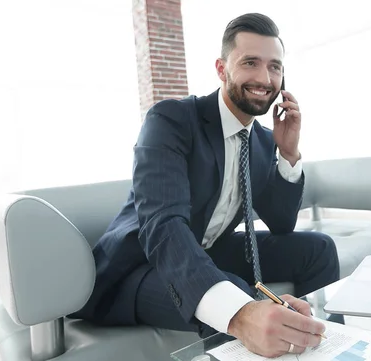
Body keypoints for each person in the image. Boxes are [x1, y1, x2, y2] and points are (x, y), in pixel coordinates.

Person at [70, 13, 340, 358]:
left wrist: (288, 153)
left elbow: (283, 223)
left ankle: (334, 345)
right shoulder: (171, 120)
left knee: (318, 248)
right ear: (221, 68)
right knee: (231, 293)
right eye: (250, 63)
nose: (264, 78)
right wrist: (243, 310)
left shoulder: (260, 140)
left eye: (275, 67)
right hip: (143, 264)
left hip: (209, 248)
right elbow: (163, 226)